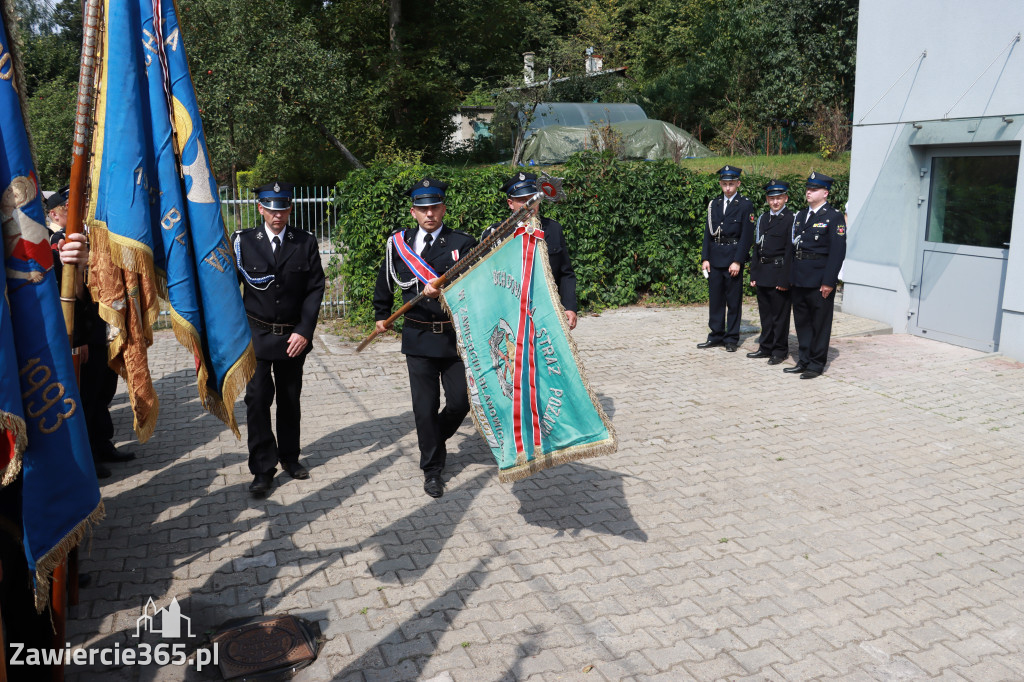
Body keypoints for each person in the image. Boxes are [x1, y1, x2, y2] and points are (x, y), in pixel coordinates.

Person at [373, 178, 477, 499]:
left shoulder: (463, 242)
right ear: (413, 212)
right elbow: (385, 281)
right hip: (417, 335)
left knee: (460, 402)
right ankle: (432, 470)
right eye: (423, 208)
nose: (429, 213)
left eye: (434, 207)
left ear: (444, 208)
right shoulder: (399, 244)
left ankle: (433, 440)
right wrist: (381, 313)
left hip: (451, 337)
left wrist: (444, 288)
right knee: (424, 407)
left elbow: (474, 286)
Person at [233, 181, 326, 497]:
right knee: (257, 402)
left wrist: (304, 330)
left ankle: (290, 457)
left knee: (289, 400)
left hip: (292, 338)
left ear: (290, 209)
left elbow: (315, 288)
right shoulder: (244, 242)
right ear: (261, 208)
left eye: (283, 208)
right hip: (256, 336)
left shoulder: (304, 242)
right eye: (271, 209)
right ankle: (262, 468)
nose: (277, 215)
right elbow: (230, 290)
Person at [50, 199, 134, 479]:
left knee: (103, 391)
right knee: (86, 396)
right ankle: (87, 453)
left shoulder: (92, 239)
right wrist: (79, 339)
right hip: (84, 334)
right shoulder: (57, 244)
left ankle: (103, 444)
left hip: (101, 329)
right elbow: (67, 296)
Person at [483, 172, 577, 330]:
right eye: (522, 200)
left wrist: (569, 306)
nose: (529, 204)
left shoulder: (553, 229)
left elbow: (565, 273)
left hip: (547, 310)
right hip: (508, 314)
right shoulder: (495, 233)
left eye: (533, 198)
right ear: (510, 203)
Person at [785, 172, 847, 379]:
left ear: (825, 193)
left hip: (819, 280)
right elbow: (793, 248)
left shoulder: (834, 217)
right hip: (799, 277)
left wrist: (829, 281)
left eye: (814, 189)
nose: (809, 192)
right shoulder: (801, 215)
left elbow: (837, 253)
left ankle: (816, 364)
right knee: (802, 322)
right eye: (808, 189)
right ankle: (803, 360)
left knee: (819, 323)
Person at [698, 165, 754, 352]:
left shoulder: (745, 205)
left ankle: (731, 338)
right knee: (716, 299)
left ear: (738, 183)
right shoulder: (713, 204)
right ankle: (716, 335)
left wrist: (738, 260)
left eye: (731, 184)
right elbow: (708, 232)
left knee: (733, 300)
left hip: (732, 258)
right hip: (715, 257)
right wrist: (705, 258)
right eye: (724, 184)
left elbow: (747, 236)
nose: (728, 188)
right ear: (720, 184)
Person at [747, 180, 795, 365]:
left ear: (786, 198)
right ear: (767, 199)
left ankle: (779, 350)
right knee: (765, 315)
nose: (775, 202)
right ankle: (765, 347)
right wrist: (754, 274)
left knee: (780, 316)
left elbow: (790, 252)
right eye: (772, 198)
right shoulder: (762, 218)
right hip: (763, 272)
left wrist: (784, 279)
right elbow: (757, 249)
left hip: (779, 272)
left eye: (779, 198)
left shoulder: (791, 219)